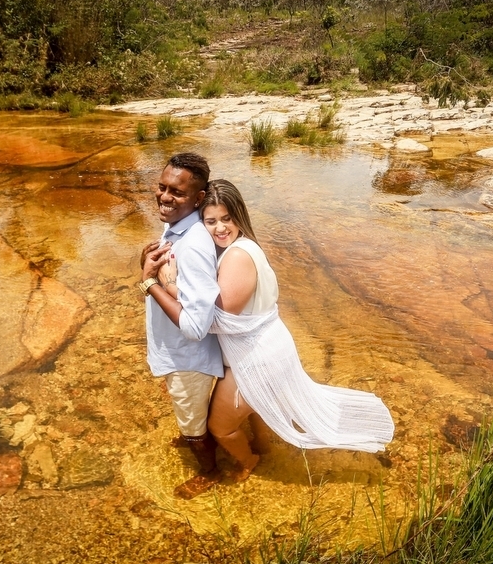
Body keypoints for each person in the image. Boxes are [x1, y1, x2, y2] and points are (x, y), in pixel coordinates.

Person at [150, 179, 395, 483]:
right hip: (263, 349)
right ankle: (263, 447)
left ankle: (248, 461)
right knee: (254, 408)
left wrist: (166, 285)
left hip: (257, 359)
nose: (220, 228)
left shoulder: (237, 256)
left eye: (227, 218)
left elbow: (213, 321)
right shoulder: (239, 248)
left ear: (239, 215)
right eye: (210, 221)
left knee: (220, 427)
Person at [138, 152, 224, 500]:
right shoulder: (177, 226)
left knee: (192, 426)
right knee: (191, 416)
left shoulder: (194, 246)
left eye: (177, 192)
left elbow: (195, 326)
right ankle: (197, 432)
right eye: (162, 187)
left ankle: (211, 471)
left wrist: (147, 283)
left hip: (189, 359)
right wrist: (146, 262)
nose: (164, 197)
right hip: (177, 353)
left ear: (199, 198)